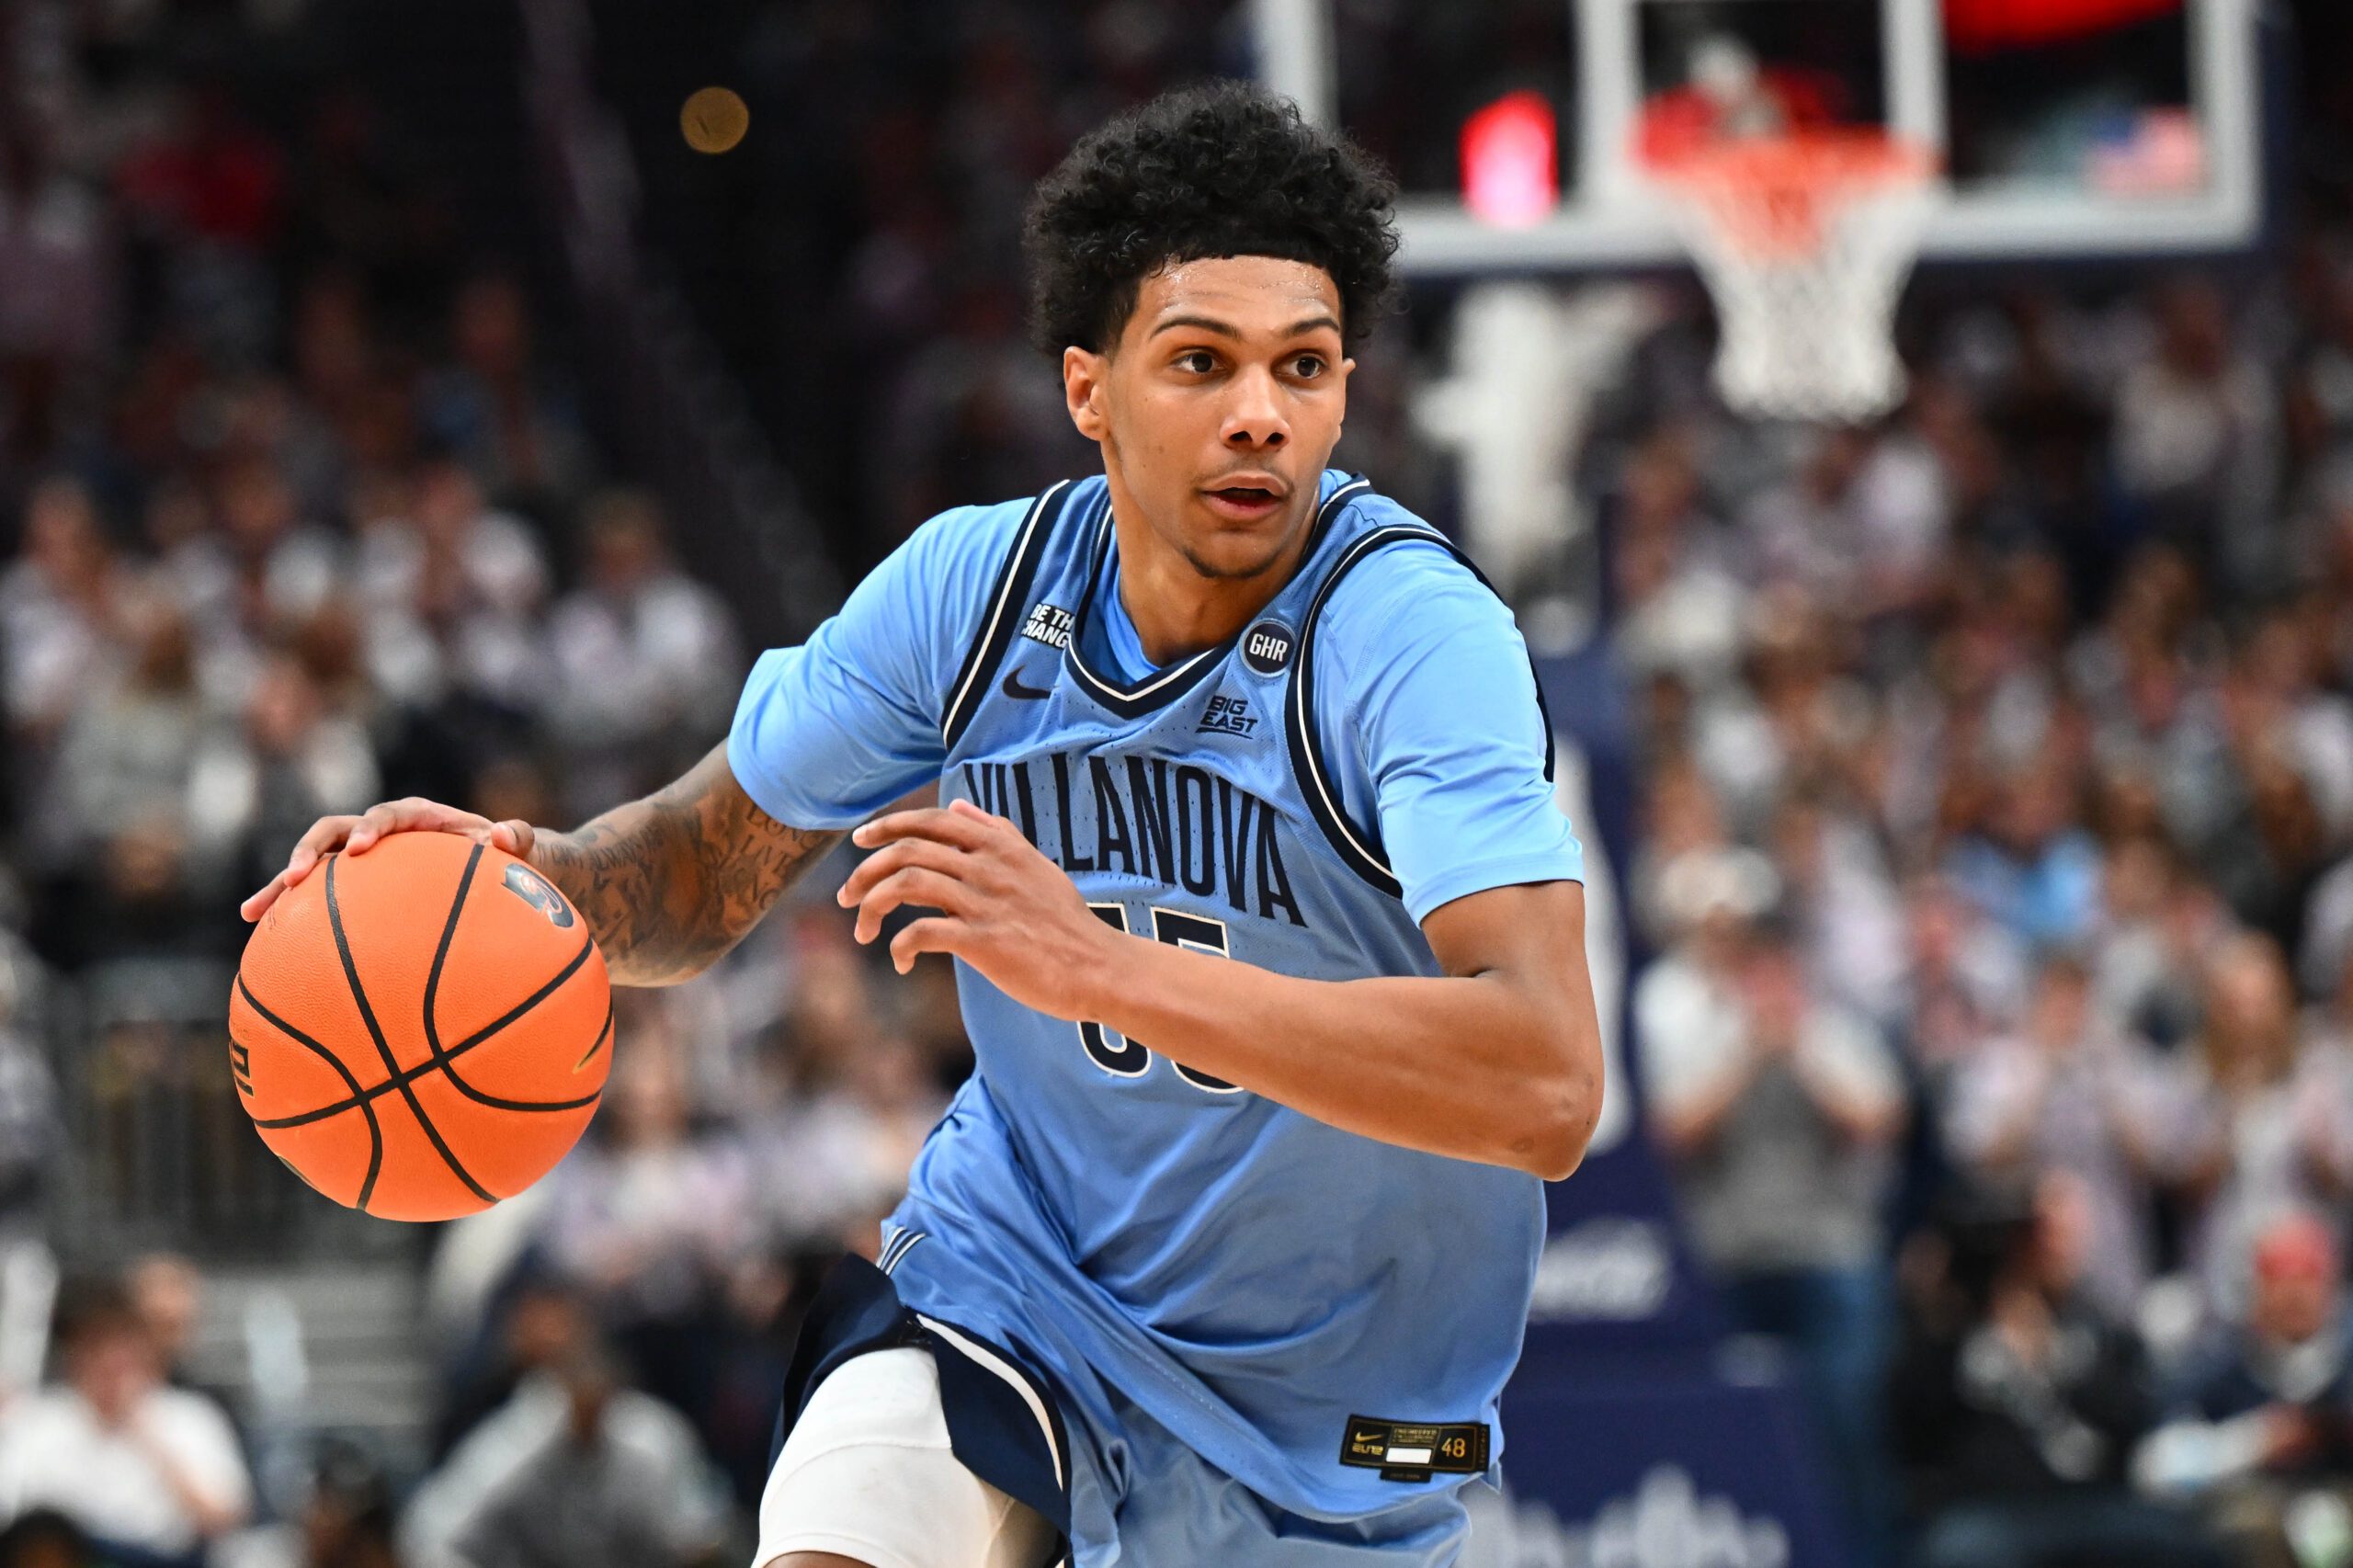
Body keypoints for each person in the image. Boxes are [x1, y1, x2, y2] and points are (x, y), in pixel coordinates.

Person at [244, 83, 1603, 1568]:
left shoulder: (1409, 638)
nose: (1262, 413)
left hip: (1331, 1425)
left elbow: (1542, 1078)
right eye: (1200, 362)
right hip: (1016, 1292)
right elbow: (699, 870)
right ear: (1088, 389)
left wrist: (1098, 970)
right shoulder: (972, 598)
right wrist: (528, 881)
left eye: (1306, 366)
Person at [0, 1277, 251, 1566]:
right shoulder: (37, 1420)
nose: (109, 1363)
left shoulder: (190, 1417)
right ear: (75, 1355)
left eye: (121, 1348)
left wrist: (149, 1440)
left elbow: (225, 1518)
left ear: (145, 1351)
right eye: (95, 1347)